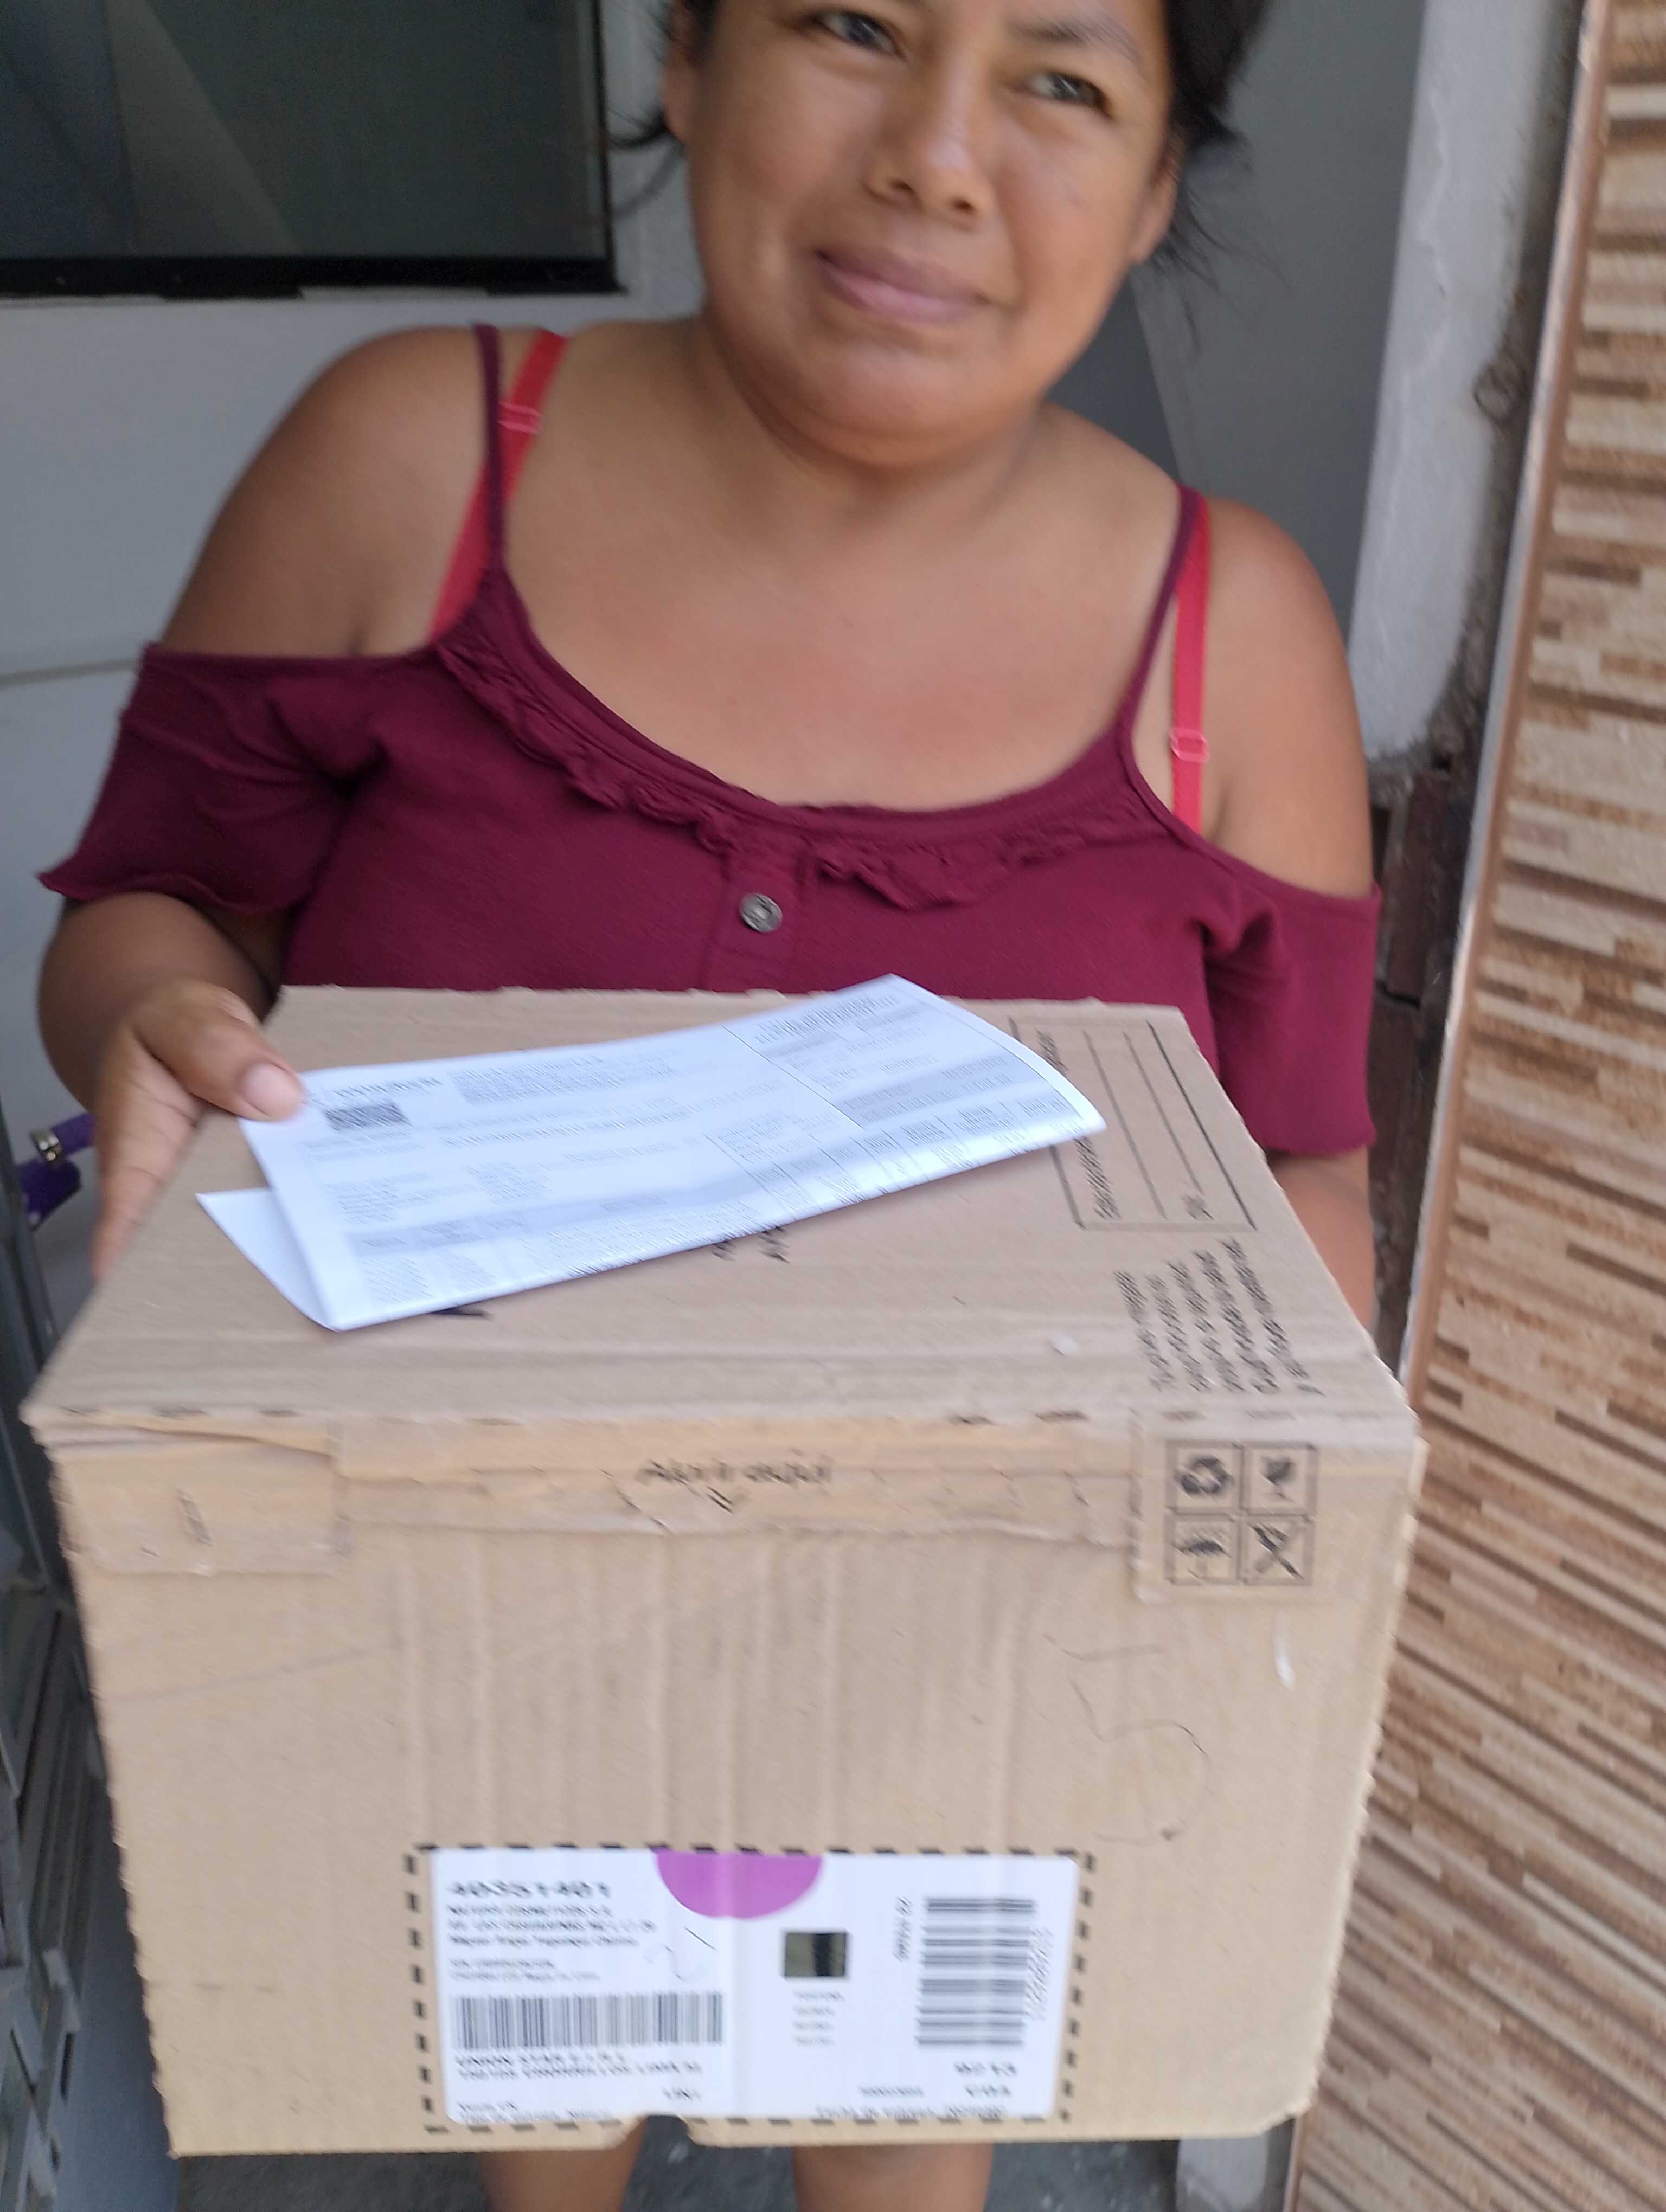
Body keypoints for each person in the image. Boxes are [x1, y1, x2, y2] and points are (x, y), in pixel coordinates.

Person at [37, 0, 1377, 2203]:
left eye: (1061, 80)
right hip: (458, 1620)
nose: (939, 156)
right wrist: (160, 1012)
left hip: (961, 1661)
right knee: (535, 2097)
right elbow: (147, 913)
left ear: (1155, 189)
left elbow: (1302, 1158)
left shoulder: (1237, 642)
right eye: (854, 23)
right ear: (685, 56)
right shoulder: (408, 463)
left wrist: (1243, 1536)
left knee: (896, 2129)